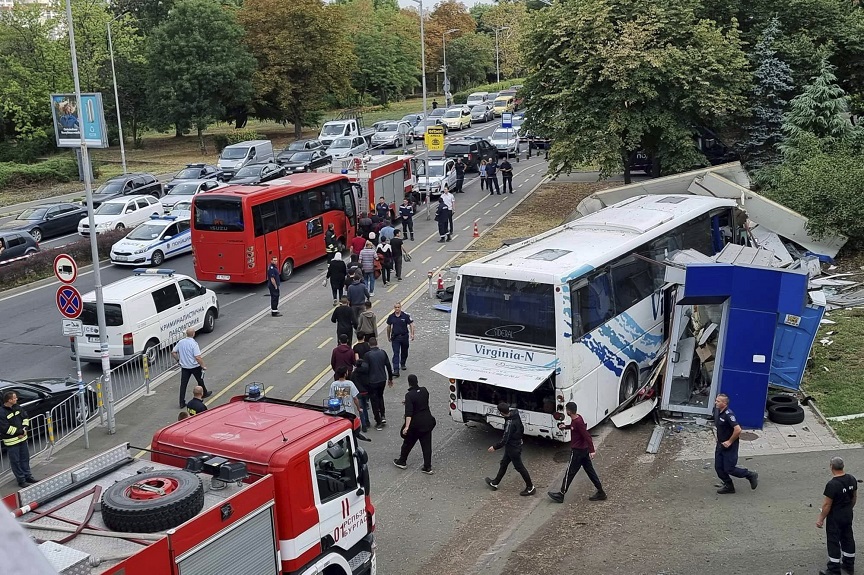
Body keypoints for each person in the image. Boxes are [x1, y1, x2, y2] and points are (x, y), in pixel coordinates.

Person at [547, 402, 606, 503]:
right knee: (590, 472)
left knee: (569, 473)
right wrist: (565, 427)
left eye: (566, 410)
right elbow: (575, 428)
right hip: (583, 451)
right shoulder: (577, 419)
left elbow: (587, 436)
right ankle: (601, 492)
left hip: (577, 452)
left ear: (569, 411)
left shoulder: (577, 422)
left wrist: (592, 450)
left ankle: (561, 494)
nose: (566, 411)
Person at [485, 402, 535, 496]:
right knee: (504, 463)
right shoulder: (515, 414)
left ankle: (530, 487)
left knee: (519, 467)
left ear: (501, 413)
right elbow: (521, 428)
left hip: (513, 448)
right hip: (514, 445)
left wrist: (494, 447)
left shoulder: (509, 423)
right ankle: (495, 482)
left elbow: (505, 439)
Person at [817, 456, 857, 575]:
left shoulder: (832, 484)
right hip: (848, 513)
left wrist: (820, 519)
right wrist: (848, 509)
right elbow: (854, 498)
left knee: (833, 540)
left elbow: (827, 505)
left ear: (831, 467)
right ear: (842, 466)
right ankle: (849, 565)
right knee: (848, 537)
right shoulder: (852, 479)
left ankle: (834, 569)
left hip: (835, 517)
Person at [713, 393, 758, 494]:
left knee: (729, 469)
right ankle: (729, 486)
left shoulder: (729, 415)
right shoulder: (717, 411)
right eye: (716, 400)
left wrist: (729, 441)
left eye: (718, 401)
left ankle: (750, 475)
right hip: (720, 445)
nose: (716, 402)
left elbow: (738, 430)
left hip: (730, 446)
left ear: (724, 403)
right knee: (719, 468)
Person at [394, 374, 437, 474]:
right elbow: (421, 400)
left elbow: (409, 413)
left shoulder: (409, 395)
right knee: (426, 446)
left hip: (415, 425)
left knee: (408, 443)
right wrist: (409, 402)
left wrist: (406, 427)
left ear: (409, 383)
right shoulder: (424, 390)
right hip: (427, 422)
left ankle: (402, 461)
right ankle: (427, 467)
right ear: (417, 381)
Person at [1, 391, 37, 487]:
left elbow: (25, 418)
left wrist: (24, 429)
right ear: (9, 400)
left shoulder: (17, 407)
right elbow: (5, 428)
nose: (16, 399)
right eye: (14, 398)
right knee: (15, 462)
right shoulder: (2, 412)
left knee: (25, 459)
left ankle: (28, 476)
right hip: (12, 442)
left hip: (22, 439)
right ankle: (21, 480)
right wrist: (20, 432)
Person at [172, 327, 212, 408]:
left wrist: (178, 361)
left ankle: (181, 402)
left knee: (183, 384)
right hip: (194, 366)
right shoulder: (194, 344)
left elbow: (173, 352)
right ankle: (204, 393)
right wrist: (203, 365)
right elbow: (197, 357)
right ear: (193, 334)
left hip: (185, 367)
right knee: (200, 380)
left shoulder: (181, 342)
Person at [364, 337, 393, 430]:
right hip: (382, 379)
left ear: (369, 345)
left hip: (372, 381)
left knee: (374, 401)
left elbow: (366, 369)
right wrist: (390, 378)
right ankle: (383, 415)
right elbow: (388, 365)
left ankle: (378, 420)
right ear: (377, 343)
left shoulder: (367, 355)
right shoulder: (383, 352)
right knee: (380, 397)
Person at [386, 302, 414, 378]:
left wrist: (412, 334)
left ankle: (403, 363)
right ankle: (396, 370)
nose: (397, 309)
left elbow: (411, 324)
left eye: (398, 307)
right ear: (394, 308)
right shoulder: (391, 317)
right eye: (395, 307)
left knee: (404, 351)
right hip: (395, 338)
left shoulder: (405, 316)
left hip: (404, 337)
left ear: (400, 307)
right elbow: (388, 327)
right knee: (396, 353)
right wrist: (388, 336)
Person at [353, 333, 373, 431]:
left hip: (359, 391)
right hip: (366, 390)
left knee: (361, 408)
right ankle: (370, 420)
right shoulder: (367, 345)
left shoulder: (354, 373)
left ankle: (364, 424)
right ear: (364, 337)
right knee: (366, 404)